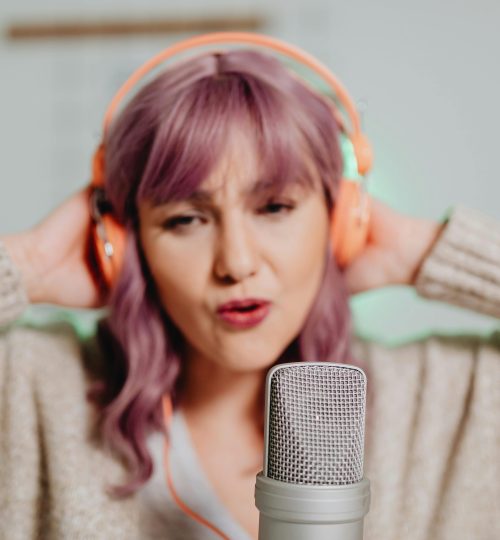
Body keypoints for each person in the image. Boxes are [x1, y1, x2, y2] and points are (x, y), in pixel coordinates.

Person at [1, 36, 499, 540]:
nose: (236, 264)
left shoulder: (441, 401)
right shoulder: (29, 389)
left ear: (341, 221)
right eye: (185, 219)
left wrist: (422, 249)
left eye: (275, 208)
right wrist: (31, 264)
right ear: (128, 245)